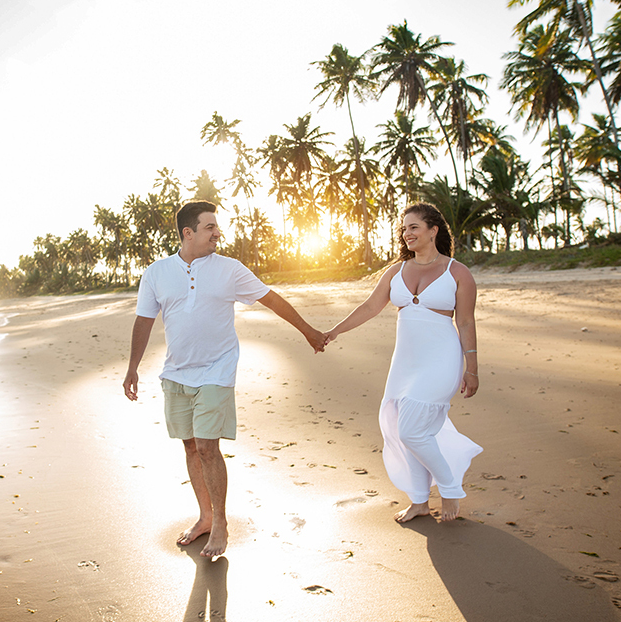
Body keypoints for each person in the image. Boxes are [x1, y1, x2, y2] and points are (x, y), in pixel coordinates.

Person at [124, 200, 327, 557]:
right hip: (176, 372)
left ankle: (220, 522)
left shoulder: (230, 269)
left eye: (217, 227)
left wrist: (308, 331)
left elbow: (271, 299)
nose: (218, 233)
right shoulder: (157, 273)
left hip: (217, 370)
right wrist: (132, 367)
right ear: (188, 233)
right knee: (190, 445)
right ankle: (204, 517)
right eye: (210, 227)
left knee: (207, 446)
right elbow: (144, 320)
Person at [324, 202, 482, 523]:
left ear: (433, 230)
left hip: (441, 359)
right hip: (405, 364)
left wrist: (472, 369)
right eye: (404, 228)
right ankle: (420, 501)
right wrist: (334, 331)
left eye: (414, 227)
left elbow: (466, 322)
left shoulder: (457, 272)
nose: (407, 233)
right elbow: (370, 307)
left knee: (412, 432)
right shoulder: (395, 271)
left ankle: (450, 489)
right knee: (400, 428)